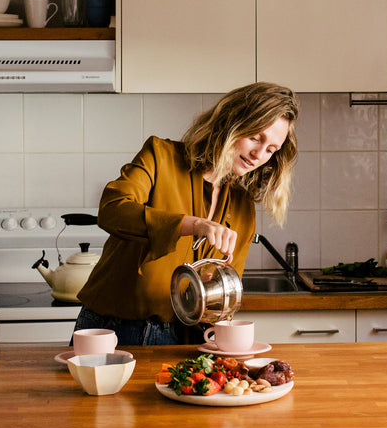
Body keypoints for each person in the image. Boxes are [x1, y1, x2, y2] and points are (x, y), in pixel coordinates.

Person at [74, 82, 299, 346]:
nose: (259, 154)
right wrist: (193, 224)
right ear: (231, 123)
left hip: (184, 340)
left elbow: (224, 293)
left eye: (271, 149)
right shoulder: (161, 156)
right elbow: (113, 209)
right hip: (111, 332)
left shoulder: (242, 204)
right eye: (255, 138)